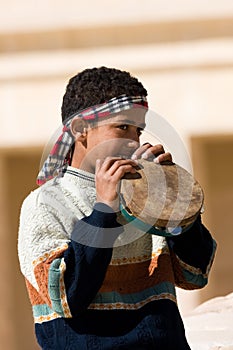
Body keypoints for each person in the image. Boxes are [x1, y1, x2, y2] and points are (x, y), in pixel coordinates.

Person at [18, 66, 216, 350]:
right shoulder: (45, 204)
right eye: (122, 127)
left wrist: (171, 199)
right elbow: (67, 297)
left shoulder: (143, 195)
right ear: (80, 129)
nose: (134, 140)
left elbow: (195, 274)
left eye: (139, 130)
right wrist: (103, 210)